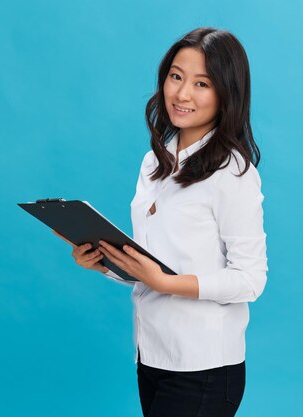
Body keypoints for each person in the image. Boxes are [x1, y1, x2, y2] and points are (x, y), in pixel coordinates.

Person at [54, 27, 267, 417]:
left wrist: (165, 283)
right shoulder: (156, 161)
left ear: (227, 93)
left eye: (202, 83)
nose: (182, 94)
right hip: (152, 354)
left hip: (204, 364)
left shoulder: (233, 172)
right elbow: (152, 262)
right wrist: (102, 262)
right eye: (176, 76)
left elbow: (251, 279)